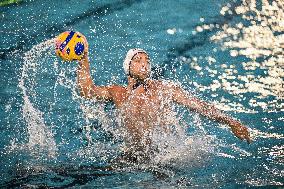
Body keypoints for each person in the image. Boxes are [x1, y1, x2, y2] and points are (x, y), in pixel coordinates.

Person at [77, 47, 251, 160]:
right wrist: (83, 59)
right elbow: (87, 91)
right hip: (131, 156)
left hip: (161, 158)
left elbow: (200, 106)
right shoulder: (118, 93)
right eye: (138, 60)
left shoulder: (164, 89)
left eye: (147, 60)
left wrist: (230, 121)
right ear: (127, 68)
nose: (144, 64)